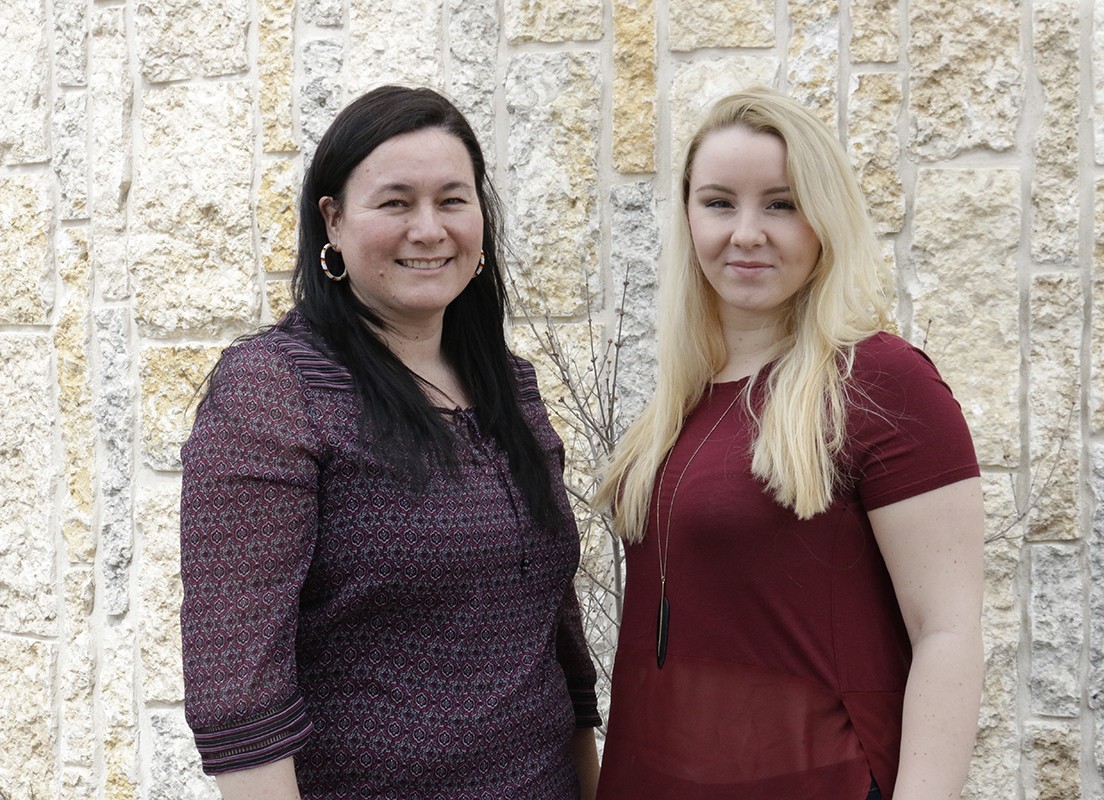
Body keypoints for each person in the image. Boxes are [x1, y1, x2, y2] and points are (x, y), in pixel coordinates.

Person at [179, 85, 601, 800]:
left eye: (452, 199)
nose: (429, 229)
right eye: (396, 201)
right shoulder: (276, 390)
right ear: (333, 221)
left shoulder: (509, 386)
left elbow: (555, 632)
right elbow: (238, 686)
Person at [593, 87, 984, 800]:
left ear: (824, 219)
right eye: (718, 203)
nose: (746, 233)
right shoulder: (681, 398)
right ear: (687, 217)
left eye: (780, 203)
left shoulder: (881, 381)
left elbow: (948, 632)